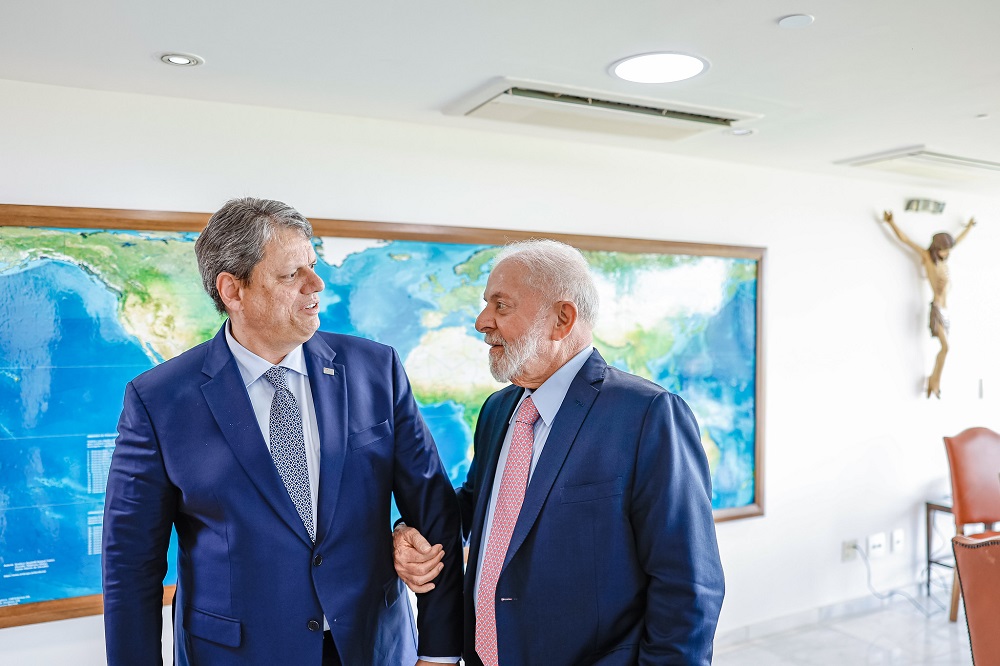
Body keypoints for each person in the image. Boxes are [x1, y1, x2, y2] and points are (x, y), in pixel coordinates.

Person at [102, 197, 463, 666]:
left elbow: (433, 509)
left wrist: (438, 655)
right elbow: (131, 566)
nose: (316, 284)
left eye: (312, 267)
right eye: (291, 274)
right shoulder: (159, 400)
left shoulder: (376, 369)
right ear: (233, 290)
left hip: (373, 647)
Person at [393, 239, 725, 665]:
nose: (481, 321)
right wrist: (409, 532)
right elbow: (478, 510)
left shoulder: (648, 414)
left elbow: (689, 584)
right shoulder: (499, 409)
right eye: (485, 304)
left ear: (561, 318)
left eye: (501, 306)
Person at [880, 211, 976, 398]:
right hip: (937, 308)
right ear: (937, 248)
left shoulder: (942, 262)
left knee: (946, 349)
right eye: (944, 249)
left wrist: (969, 227)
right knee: (946, 347)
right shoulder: (928, 260)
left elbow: (958, 241)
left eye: (948, 250)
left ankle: (934, 379)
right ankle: (934, 380)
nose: (947, 253)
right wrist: (891, 223)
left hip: (946, 310)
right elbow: (906, 240)